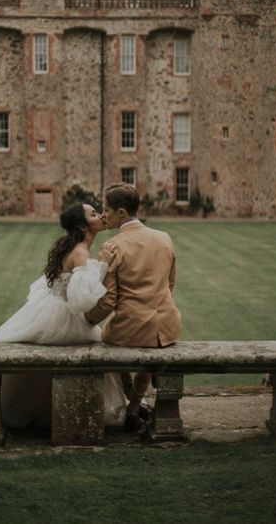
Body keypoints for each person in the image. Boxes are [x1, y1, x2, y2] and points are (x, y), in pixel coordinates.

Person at [0, 203, 126, 428]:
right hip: (62, 317)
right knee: (97, 344)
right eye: (93, 214)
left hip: (50, 309)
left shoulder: (74, 246)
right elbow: (82, 299)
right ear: (83, 226)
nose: (100, 215)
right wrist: (103, 263)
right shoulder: (81, 251)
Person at [85, 183, 181, 431]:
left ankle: (132, 397)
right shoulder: (164, 238)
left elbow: (108, 301)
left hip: (129, 327)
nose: (103, 214)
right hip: (166, 326)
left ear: (122, 213)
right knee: (151, 348)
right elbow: (170, 284)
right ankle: (135, 402)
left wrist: (86, 319)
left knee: (105, 340)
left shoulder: (113, 247)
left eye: (106, 210)